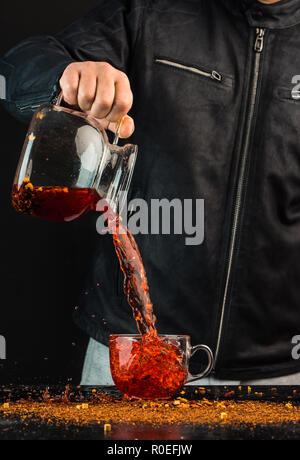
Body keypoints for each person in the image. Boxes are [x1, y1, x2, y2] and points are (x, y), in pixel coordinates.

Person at [1, 0, 300, 386]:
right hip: (129, 354)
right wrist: (66, 76)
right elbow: (19, 65)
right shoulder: (151, 11)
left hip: (282, 368)